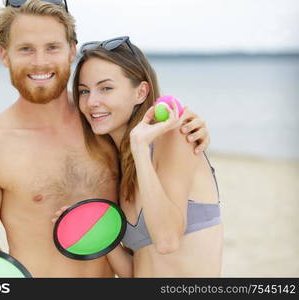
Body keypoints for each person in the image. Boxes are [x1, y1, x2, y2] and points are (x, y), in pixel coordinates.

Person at [0, 0, 211, 277]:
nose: (40, 62)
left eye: (52, 47)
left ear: (71, 50)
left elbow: (147, 118)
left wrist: (189, 126)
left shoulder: (103, 125)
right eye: (26, 49)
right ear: (5, 55)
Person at [54, 36, 223, 277]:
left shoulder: (175, 137)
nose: (92, 102)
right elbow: (137, 272)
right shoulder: (123, 164)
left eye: (106, 88)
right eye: (84, 91)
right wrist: (95, 232)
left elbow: (167, 241)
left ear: (141, 92)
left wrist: (140, 147)